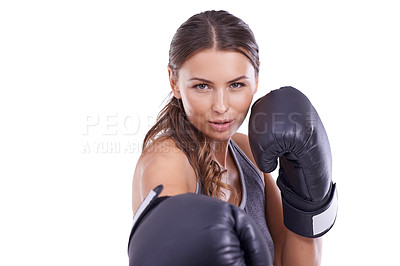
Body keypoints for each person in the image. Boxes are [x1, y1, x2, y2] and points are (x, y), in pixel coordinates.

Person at [130, 10, 337, 265]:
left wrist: (305, 202)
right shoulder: (167, 162)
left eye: (236, 85)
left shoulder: (246, 151)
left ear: (256, 78)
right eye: (202, 86)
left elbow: (287, 259)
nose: (221, 106)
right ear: (174, 82)